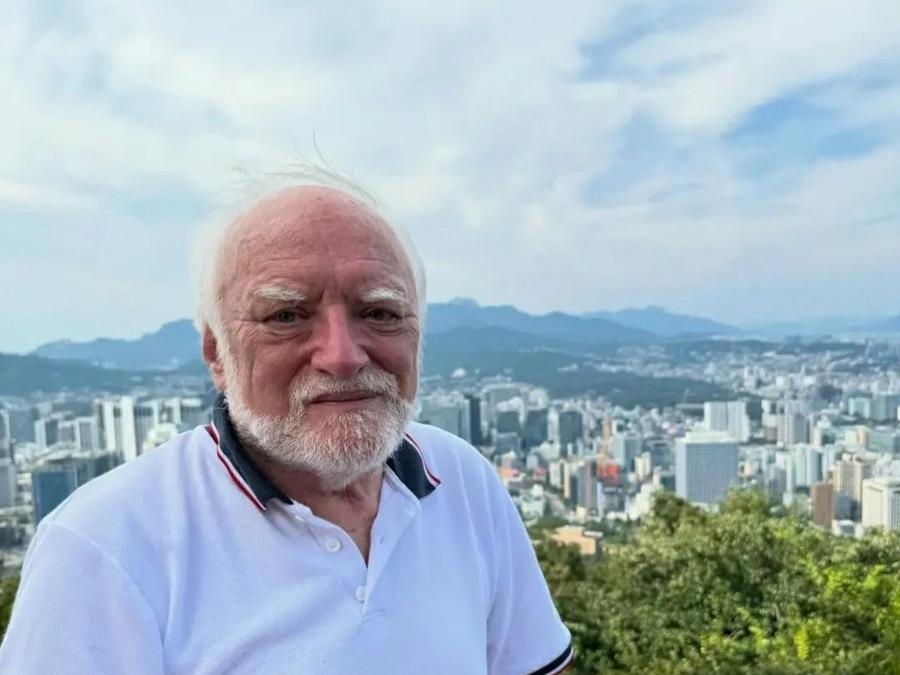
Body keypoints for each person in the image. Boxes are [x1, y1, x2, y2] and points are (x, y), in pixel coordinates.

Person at [0, 174, 574, 674]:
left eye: (380, 312)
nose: (343, 356)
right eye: (287, 315)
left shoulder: (464, 480)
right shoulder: (102, 547)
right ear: (217, 353)